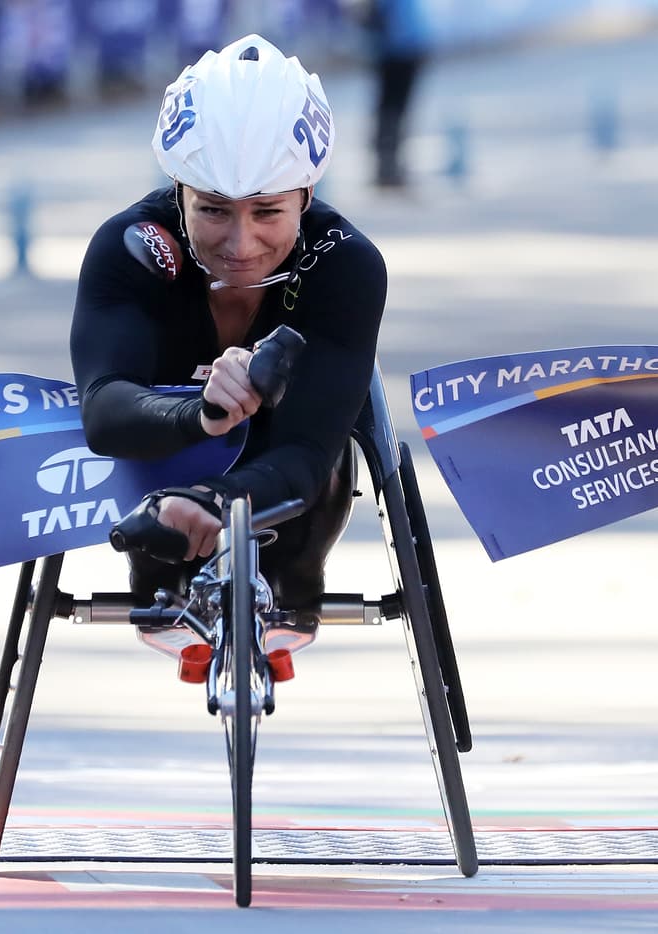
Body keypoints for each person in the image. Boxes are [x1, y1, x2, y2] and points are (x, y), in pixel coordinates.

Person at [70, 34, 387, 611]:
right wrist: (206, 414)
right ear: (179, 192)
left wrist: (215, 500)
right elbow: (102, 410)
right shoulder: (133, 247)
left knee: (295, 571)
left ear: (306, 196)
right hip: (157, 464)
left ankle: (291, 589)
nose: (241, 245)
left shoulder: (345, 264)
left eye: (268, 212)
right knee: (158, 588)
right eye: (213, 209)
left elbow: (308, 455)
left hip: (287, 478)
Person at [365, 0, 432, 188]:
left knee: (390, 111)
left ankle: (387, 168)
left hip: (395, 49)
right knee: (395, 111)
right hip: (407, 45)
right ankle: (388, 167)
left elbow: (372, 15)